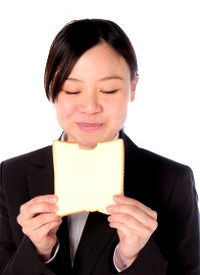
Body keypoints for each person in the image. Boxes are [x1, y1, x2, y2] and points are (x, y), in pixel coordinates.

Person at [0, 18, 199, 275]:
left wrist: (132, 258)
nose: (91, 107)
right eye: (72, 91)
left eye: (108, 90)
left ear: (133, 88)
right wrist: (40, 252)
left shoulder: (172, 181)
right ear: (52, 90)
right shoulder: (11, 175)